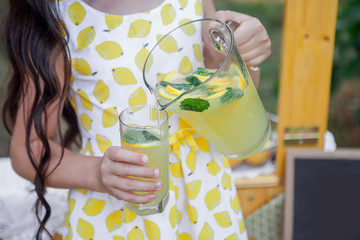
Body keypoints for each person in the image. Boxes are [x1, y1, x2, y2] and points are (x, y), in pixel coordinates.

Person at [2, 0, 271, 239]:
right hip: (115, 209)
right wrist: (96, 173)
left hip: (205, 197)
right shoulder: (61, 15)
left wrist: (246, 59)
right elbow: (28, 149)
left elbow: (232, 101)